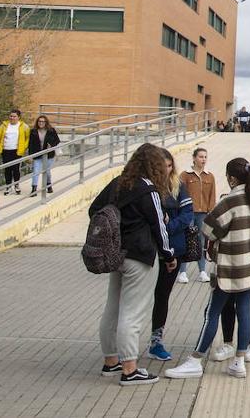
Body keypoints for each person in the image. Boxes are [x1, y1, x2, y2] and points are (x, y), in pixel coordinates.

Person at [164, 158, 250, 380]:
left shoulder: (230, 201)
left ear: (231, 178)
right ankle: (239, 361)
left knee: (212, 313)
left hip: (228, 268)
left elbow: (208, 230)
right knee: (245, 310)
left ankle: (195, 360)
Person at [90, 142, 175, 386]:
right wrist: (169, 256)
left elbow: (95, 210)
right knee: (133, 312)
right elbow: (160, 227)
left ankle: (110, 361)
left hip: (116, 254)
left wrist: (115, 229)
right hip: (140, 256)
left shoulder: (118, 183)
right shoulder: (148, 189)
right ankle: (130, 368)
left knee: (113, 308)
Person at [147, 162, 194, 362]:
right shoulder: (148, 188)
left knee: (162, 295)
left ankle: (156, 341)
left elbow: (187, 215)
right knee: (140, 297)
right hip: (148, 250)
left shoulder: (179, 186)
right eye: (161, 165)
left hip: (173, 249)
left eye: (168, 165)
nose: (165, 169)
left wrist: (167, 227)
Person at [179, 148, 216, 284]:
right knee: (187, 240)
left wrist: (211, 212)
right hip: (188, 213)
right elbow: (180, 194)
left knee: (201, 242)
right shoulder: (185, 175)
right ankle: (182, 271)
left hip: (203, 213)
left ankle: (202, 271)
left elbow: (212, 196)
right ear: (194, 158)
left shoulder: (209, 176)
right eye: (201, 157)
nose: (203, 159)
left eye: (205, 157)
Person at [0, 109, 29, 195]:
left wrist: (24, 147)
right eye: (11, 116)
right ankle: (8, 186)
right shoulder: (4, 126)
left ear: (18, 117)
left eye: (14, 116)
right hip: (5, 150)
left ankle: (16, 185)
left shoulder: (24, 126)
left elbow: (27, 138)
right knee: (7, 169)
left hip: (16, 151)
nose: (12, 118)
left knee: (16, 169)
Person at [27, 114, 61, 196]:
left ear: (46, 122)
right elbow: (30, 144)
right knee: (36, 171)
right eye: (39, 121)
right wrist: (30, 155)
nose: (41, 123)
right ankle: (34, 189)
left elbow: (57, 140)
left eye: (43, 121)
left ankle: (48, 185)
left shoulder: (51, 130)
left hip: (48, 155)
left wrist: (51, 145)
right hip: (37, 154)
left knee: (47, 171)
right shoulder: (33, 131)